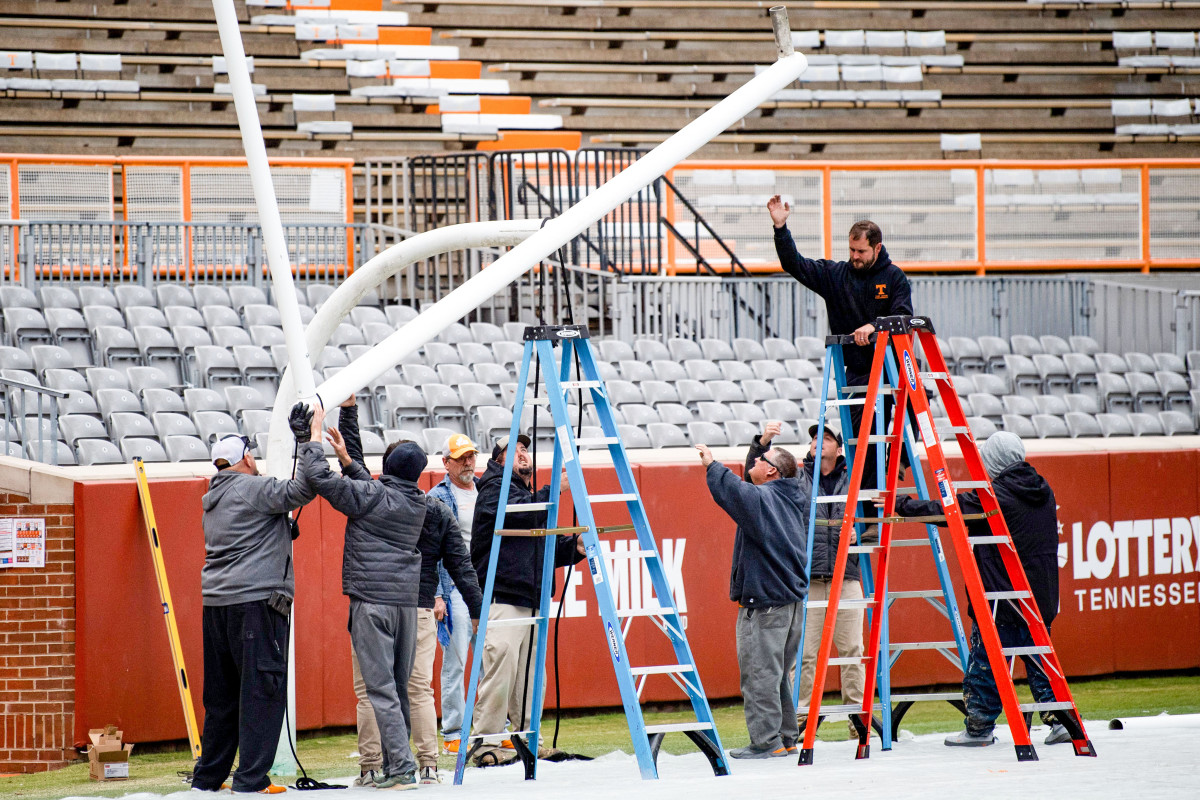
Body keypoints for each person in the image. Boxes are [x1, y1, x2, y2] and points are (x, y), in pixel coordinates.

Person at [329, 402, 484, 784]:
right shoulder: (435, 510)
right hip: (419, 608)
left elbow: (359, 472)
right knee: (418, 689)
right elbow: (461, 566)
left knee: (371, 691)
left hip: (381, 604)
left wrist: (348, 415)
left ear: (388, 471)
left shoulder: (377, 497)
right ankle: (428, 764)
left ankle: (371, 767)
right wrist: (479, 610)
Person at [883, 431, 1066, 747]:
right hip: (1041, 599)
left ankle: (979, 728)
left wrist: (900, 503)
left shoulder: (994, 496)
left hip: (1001, 602)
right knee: (1039, 664)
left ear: (993, 461)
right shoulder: (1043, 489)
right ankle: (1059, 722)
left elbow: (947, 510)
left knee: (986, 667)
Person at [295, 402, 427, 791]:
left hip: (372, 602)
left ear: (387, 470)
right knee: (398, 690)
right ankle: (400, 764)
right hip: (404, 604)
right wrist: (348, 459)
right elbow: (372, 489)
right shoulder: (417, 502)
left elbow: (319, 478)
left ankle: (400, 769)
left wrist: (312, 438)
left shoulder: (371, 496)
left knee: (380, 690)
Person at [191, 407, 318, 795]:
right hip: (255, 606)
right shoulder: (253, 488)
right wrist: (306, 441)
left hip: (216, 605)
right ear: (246, 458)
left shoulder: (212, 498)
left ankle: (208, 779)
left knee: (222, 697)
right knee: (262, 690)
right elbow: (305, 489)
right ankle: (251, 780)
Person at [768, 200, 913, 500]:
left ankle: (900, 461)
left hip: (892, 367)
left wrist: (874, 326)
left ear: (877, 248)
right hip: (859, 372)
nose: (854, 257)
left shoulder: (895, 277)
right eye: (851, 250)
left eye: (860, 251)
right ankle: (872, 508)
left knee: (916, 402)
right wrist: (780, 227)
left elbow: (904, 317)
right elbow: (794, 264)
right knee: (865, 441)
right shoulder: (835, 276)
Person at [468, 434, 585, 767]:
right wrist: (555, 490)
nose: (523, 453)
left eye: (525, 449)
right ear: (499, 460)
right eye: (515, 450)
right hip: (503, 596)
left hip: (530, 598)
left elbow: (537, 547)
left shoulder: (527, 496)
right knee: (500, 669)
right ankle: (485, 743)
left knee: (532, 677)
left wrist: (570, 549)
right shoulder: (492, 489)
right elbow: (521, 515)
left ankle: (530, 741)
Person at [753, 420, 865, 739]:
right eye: (815, 437)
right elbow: (760, 472)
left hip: (847, 575)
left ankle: (857, 721)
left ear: (839, 448)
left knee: (853, 651)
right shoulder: (800, 476)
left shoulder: (855, 477)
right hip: (809, 578)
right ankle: (799, 721)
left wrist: (863, 534)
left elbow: (875, 522)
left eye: (826, 438)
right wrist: (762, 442)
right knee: (805, 655)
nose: (818, 441)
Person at [697, 439, 808, 759]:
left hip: (766, 605)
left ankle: (766, 742)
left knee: (760, 676)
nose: (755, 460)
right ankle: (786, 738)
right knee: (777, 677)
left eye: (761, 459)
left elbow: (736, 492)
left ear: (771, 470)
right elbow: (750, 485)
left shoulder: (765, 499)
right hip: (790, 604)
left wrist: (711, 465)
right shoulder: (788, 495)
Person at [427, 433, 483, 756]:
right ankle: (453, 730)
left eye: (471, 455)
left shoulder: (486, 492)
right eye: (461, 457)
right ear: (445, 463)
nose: (468, 462)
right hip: (454, 586)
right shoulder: (436, 497)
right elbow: (431, 550)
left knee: (492, 655)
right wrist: (437, 594)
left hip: (484, 582)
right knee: (457, 657)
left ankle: (493, 726)